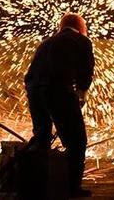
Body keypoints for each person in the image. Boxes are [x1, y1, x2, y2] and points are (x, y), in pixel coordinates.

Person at [24, 13, 95, 198]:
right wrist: (81, 94)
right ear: (82, 28)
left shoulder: (47, 42)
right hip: (57, 90)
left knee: (42, 137)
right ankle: (72, 187)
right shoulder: (82, 41)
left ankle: (36, 183)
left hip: (34, 89)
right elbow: (86, 71)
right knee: (76, 140)